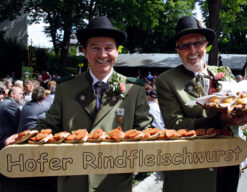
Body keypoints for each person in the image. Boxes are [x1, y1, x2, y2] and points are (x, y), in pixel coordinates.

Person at [6, 16, 153, 192]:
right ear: (85, 51)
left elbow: (145, 130)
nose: (103, 54)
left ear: (117, 51)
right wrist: (27, 135)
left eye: (108, 48)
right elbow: (49, 124)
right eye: (95, 48)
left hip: (114, 182)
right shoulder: (66, 87)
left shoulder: (133, 89)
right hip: (73, 181)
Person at [156, 16, 247, 192]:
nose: (193, 50)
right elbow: (175, 124)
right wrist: (221, 121)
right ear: (177, 50)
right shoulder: (167, 80)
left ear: (206, 45)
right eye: (185, 45)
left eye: (197, 43)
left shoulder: (223, 73)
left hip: (228, 163)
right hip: (193, 169)